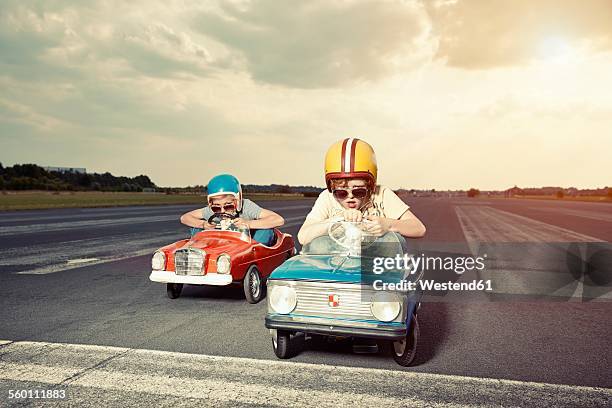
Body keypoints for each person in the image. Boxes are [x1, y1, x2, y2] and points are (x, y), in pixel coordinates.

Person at [297, 138, 426, 245]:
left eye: (359, 192)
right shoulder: (327, 197)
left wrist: (388, 225)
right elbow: (303, 237)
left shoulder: (382, 194)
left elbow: (419, 228)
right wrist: (338, 220)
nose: (350, 197)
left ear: (370, 186)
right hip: (335, 265)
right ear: (332, 188)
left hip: (375, 262)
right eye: (341, 193)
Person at [180, 174, 284, 246]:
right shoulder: (211, 210)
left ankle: (255, 254)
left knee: (266, 230)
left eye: (228, 206)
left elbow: (279, 220)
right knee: (196, 229)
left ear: (237, 201)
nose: (222, 211)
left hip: (248, 244)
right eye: (216, 207)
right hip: (222, 244)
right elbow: (185, 218)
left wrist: (248, 223)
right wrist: (203, 225)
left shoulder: (247, 206)